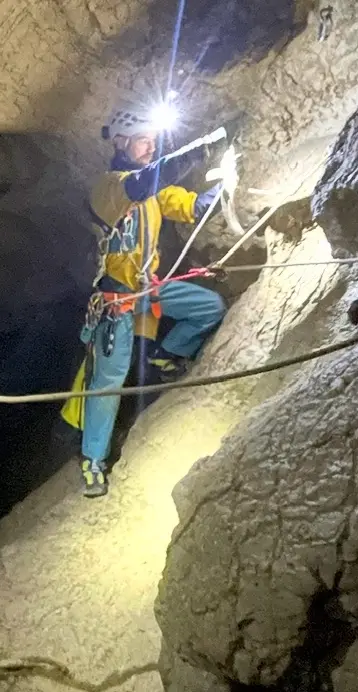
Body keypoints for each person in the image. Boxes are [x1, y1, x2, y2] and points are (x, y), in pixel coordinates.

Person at [62, 104, 229, 498]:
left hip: (148, 288)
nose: (149, 148)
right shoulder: (109, 187)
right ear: (121, 143)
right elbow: (140, 186)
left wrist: (224, 185)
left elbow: (191, 207)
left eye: (153, 142)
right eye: (142, 141)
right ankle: (93, 460)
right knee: (108, 380)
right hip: (116, 298)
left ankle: (162, 356)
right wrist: (199, 151)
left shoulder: (154, 191)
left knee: (208, 308)